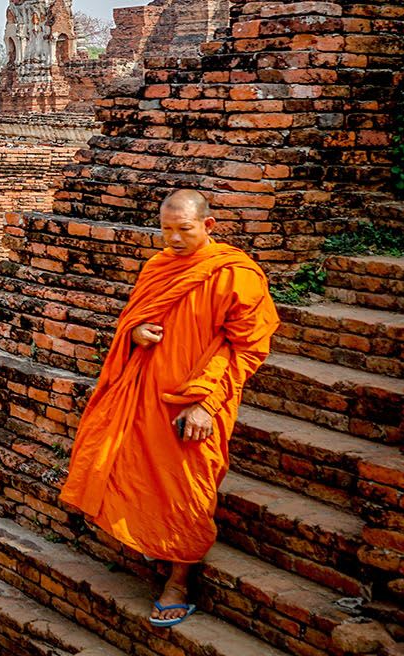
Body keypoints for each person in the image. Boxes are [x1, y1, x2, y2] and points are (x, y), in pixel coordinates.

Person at [58, 189, 280, 627]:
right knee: (133, 470)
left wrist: (205, 403)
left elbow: (248, 349)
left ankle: (178, 581)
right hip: (146, 390)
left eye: (185, 229)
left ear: (208, 226)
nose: (174, 239)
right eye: (167, 229)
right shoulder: (158, 266)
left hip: (195, 401)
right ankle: (152, 544)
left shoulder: (236, 275)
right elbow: (133, 318)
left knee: (187, 487)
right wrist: (135, 332)